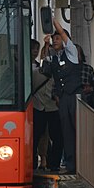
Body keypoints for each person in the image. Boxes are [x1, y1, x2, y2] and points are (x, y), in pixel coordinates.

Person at [39, 17, 81, 173]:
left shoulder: (71, 52)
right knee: (67, 132)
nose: (55, 40)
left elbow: (63, 32)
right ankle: (71, 166)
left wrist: (51, 20)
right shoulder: (54, 58)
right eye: (54, 38)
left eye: (57, 38)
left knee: (79, 130)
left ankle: (82, 164)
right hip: (63, 98)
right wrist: (46, 44)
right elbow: (44, 63)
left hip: (75, 96)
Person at [30, 39, 61, 170]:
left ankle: (48, 163)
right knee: (41, 136)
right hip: (43, 107)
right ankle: (50, 163)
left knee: (43, 136)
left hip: (46, 107)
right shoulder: (33, 70)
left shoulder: (34, 70)